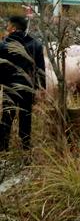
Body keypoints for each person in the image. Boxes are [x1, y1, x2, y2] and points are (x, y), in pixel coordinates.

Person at [0, 16, 45, 151]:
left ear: (13, 28)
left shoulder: (4, 45)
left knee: (7, 117)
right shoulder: (36, 45)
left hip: (10, 87)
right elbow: (40, 69)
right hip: (27, 88)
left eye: (8, 26)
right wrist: (41, 88)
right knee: (26, 118)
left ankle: (3, 147)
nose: (6, 28)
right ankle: (26, 148)